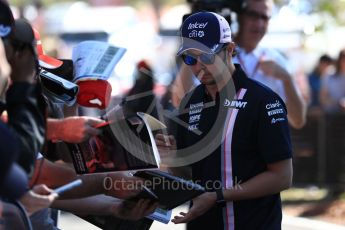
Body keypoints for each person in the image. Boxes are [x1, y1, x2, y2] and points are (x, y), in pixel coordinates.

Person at [156, 11, 292, 229]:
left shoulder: (264, 101)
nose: (199, 66)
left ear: (230, 49)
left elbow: (282, 177)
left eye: (207, 56)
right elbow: (188, 174)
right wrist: (171, 158)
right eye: (190, 58)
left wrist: (218, 196)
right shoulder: (191, 101)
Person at [233, 0, 306, 129]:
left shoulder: (277, 59)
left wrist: (287, 79)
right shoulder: (219, 54)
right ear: (240, 16)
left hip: (263, 146)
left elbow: (298, 121)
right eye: (253, 15)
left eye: (265, 17)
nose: (259, 23)